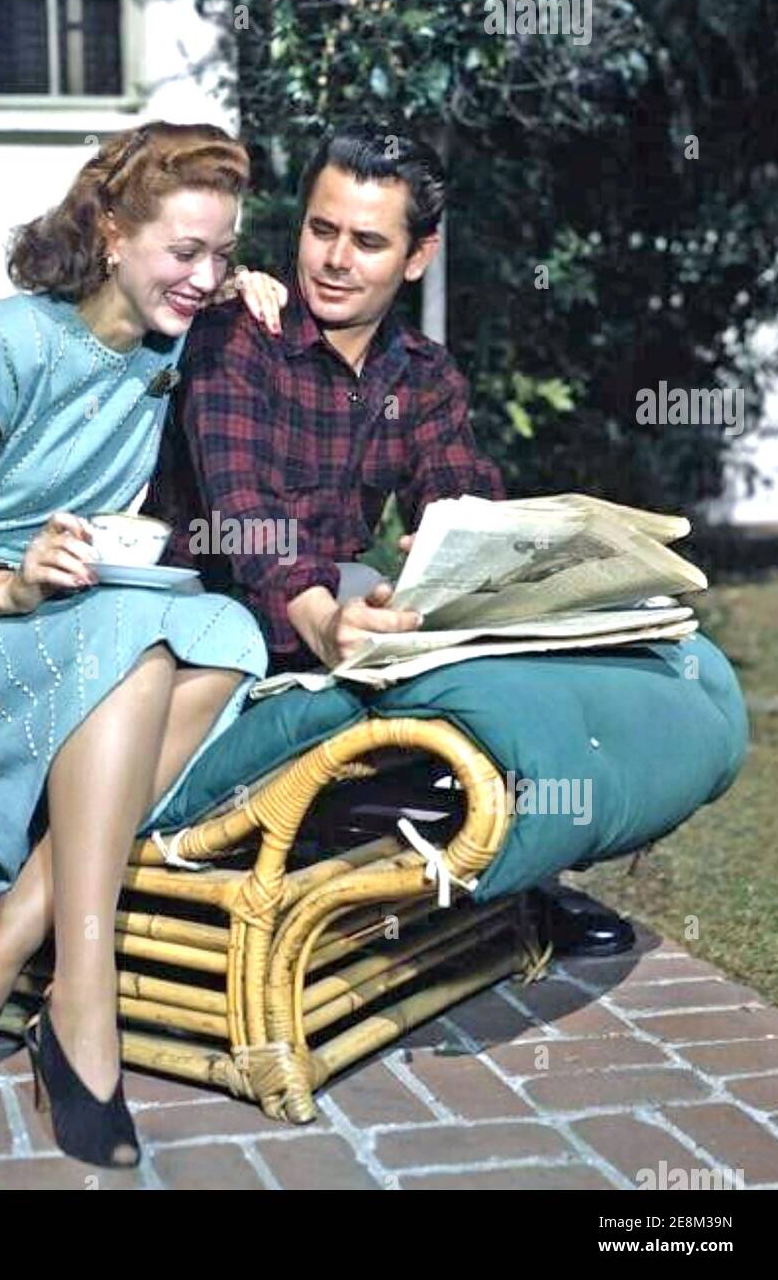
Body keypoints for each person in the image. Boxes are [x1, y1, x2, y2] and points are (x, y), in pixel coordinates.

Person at [0, 122, 285, 1169]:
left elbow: (216, 295)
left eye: (221, 252)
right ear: (109, 229)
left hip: (79, 618)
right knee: (139, 653)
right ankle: (80, 1001)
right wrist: (6, 585)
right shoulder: (1, 340)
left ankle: (8, 930)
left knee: (230, 633)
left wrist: (246, 283)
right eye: (183, 251)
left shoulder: (174, 330)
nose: (203, 276)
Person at [146, 123, 634, 958]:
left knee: (501, 672)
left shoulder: (425, 375)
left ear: (417, 257)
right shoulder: (237, 338)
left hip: (339, 624)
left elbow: (458, 487)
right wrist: (323, 618)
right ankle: (433, 873)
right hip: (214, 638)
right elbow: (245, 514)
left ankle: (517, 876)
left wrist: (460, 543)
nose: (334, 260)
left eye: (368, 242)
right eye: (320, 229)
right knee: (386, 747)